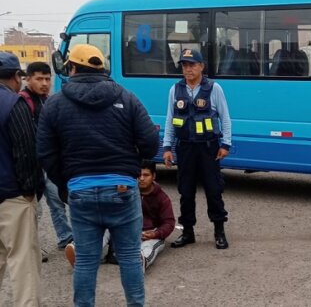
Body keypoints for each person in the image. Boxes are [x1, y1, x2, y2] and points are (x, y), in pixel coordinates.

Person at [37, 44, 159, 307]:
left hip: (80, 191)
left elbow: (45, 152)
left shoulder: (56, 103)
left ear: (71, 68)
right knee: (128, 256)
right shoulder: (126, 97)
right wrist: (130, 167)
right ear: (102, 69)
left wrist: (67, 182)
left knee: (86, 261)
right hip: (123, 189)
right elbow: (150, 142)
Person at [162, 48, 232, 249]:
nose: (188, 69)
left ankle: (219, 231)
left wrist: (226, 144)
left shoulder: (214, 88)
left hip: (208, 148)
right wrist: (167, 147)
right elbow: (169, 120)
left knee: (213, 190)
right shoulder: (175, 90)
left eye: (192, 65)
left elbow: (225, 118)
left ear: (202, 66)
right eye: (184, 65)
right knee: (185, 191)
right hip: (185, 148)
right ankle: (188, 233)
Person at [67, 160, 175, 271]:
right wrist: (120, 195)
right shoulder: (127, 190)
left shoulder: (162, 198)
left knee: (150, 246)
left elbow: (169, 223)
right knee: (103, 230)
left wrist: (155, 233)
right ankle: (79, 251)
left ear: (154, 176)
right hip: (125, 229)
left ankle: (140, 262)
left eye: (146, 175)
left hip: (149, 234)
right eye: (138, 175)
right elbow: (109, 212)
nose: (141, 179)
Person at [0, 51, 44, 306]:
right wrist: (31, 190)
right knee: (23, 263)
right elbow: (27, 151)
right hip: (13, 196)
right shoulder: (14, 104)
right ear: (17, 77)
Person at [21, 62, 74, 251]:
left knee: (57, 201)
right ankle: (33, 246)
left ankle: (65, 237)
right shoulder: (22, 102)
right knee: (34, 209)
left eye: (47, 78)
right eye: (39, 79)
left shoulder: (49, 101)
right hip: (31, 165)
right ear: (28, 79)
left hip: (49, 163)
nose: (44, 83)